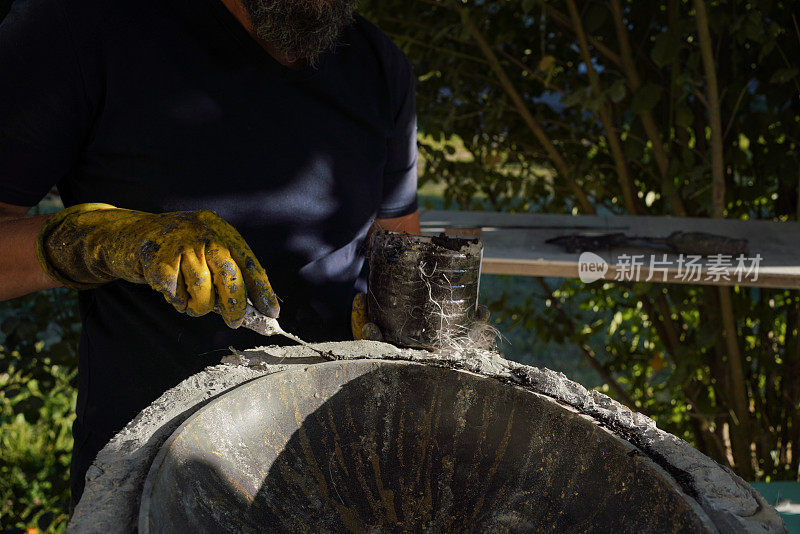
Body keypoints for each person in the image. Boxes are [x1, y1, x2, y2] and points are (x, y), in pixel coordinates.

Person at [0, 0, 420, 506]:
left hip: (339, 472)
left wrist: (420, 317)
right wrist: (98, 240)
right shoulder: (78, 28)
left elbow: (400, 249)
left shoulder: (377, 64)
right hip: (155, 472)